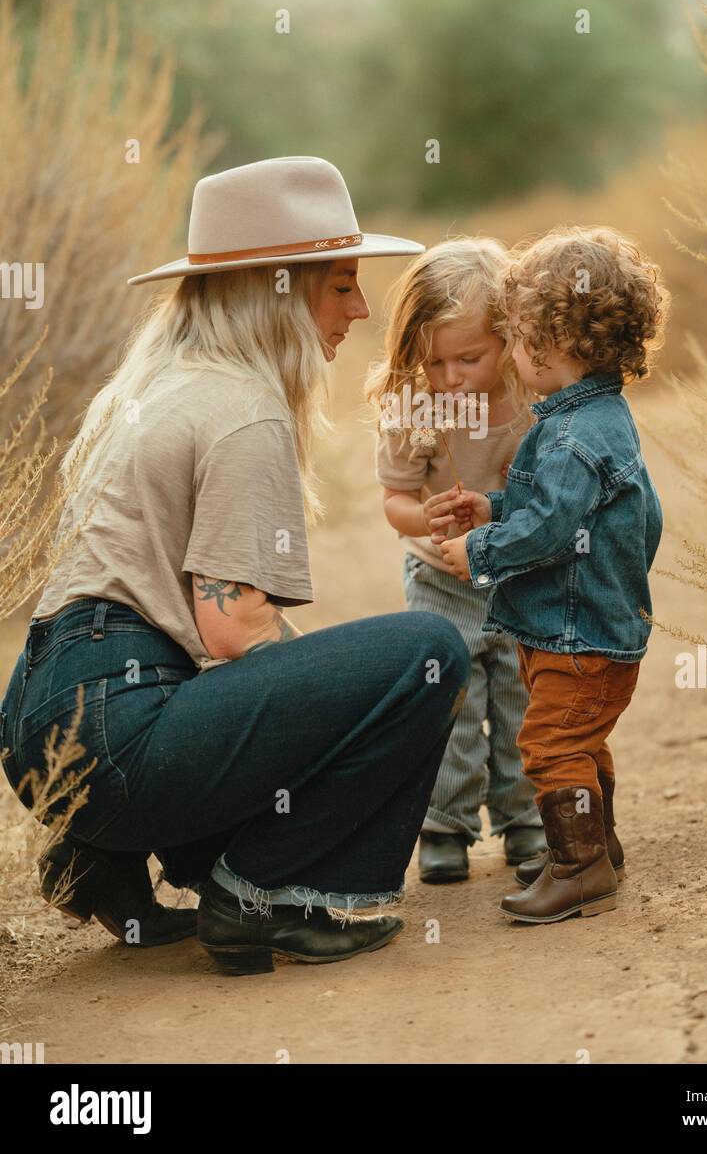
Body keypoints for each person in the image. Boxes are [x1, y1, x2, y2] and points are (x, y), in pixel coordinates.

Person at [0, 156, 470, 976]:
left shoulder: (155, 387)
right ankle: (263, 895)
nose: (361, 309)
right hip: (122, 733)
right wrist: (355, 721)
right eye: (340, 286)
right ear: (278, 289)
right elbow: (232, 630)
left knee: (298, 709)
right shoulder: (244, 410)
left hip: (40, 728)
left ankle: (106, 850)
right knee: (426, 655)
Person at [435, 225, 669, 923]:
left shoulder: (571, 436)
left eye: (515, 336)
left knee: (548, 745)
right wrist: (491, 506)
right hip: (587, 629)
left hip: (576, 635)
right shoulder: (596, 417)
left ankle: (577, 867)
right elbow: (571, 510)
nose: (509, 351)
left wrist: (478, 550)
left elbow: (549, 528)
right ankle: (598, 845)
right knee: (580, 740)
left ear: (556, 345)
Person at [366, 239, 545, 883]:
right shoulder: (417, 404)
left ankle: (527, 817)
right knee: (452, 697)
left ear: (510, 336)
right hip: (441, 575)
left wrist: (501, 517)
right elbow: (395, 500)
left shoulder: (534, 397)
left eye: (469, 358)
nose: (451, 377)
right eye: (433, 361)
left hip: (518, 572)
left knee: (522, 690)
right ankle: (444, 825)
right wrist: (427, 516)